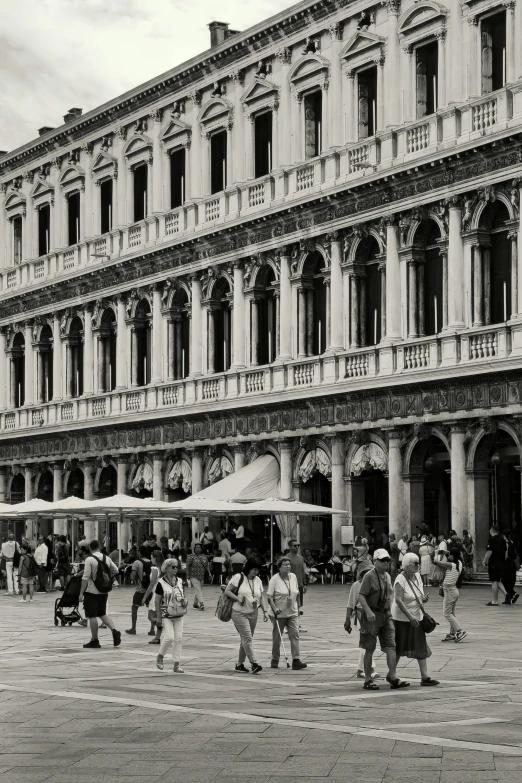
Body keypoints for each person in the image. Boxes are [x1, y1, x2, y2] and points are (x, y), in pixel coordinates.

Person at [357, 548, 410, 691]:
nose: (386, 563)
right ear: (375, 561)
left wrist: (390, 608)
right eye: (383, 560)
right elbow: (361, 595)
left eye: (388, 560)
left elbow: (390, 593)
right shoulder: (369, 576)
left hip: (385, 615)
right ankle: (368, 679)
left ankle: (392, 676)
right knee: (369, 647)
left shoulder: (386, 575)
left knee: (391, 646)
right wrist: (368, 611)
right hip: (372, 615)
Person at [392, 553, 439, 686]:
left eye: (418, 563)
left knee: (420, 646)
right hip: (402, 619)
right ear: (406, 565)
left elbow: (418, 594)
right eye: (415, 563)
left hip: (417, 618)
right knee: (399, 647)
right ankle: (392, 674)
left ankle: (425, 677)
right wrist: (410, 616)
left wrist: (423, 599)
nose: (418, 566)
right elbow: (398, 600)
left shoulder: (417, 576)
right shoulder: (400, 580)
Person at [224, 557, 268, 674]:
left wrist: (265, 611)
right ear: (248, 568)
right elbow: (227, 591)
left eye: (257, 570)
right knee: (247, 638)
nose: (255, 572)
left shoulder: (257, 580)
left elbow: (261, 596)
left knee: (246, 638)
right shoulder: (239, 577)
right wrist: (238, 598)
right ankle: (254, 663)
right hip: (239, 612)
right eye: (254, 569)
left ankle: (239, 664)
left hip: (253, 612)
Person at [78, 540, 121, 649]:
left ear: (90, 548)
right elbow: (116, 570)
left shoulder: (89, 559)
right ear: (99, 547)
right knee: (102, 613)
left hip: (92, 591)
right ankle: (114, 631)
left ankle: (95, 639)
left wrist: (81, 593)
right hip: (104, 591)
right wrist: (105, 578)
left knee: (92, 615)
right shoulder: (107, 558)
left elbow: (85, 577)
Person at [266, 557, 307, 670]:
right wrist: (274, 609)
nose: (288, 566)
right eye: (285, 564)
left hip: (292, 612)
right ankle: (275, 659)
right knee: (277, 637)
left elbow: (296, 593)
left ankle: (296, 660)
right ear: (279, 567)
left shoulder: (293, 577)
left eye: (289, 564)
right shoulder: (274, 579)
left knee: (294, 635)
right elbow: (269, 596)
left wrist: (298, 607)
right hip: (279, 613)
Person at [344, 559, 380, 680]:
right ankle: (370, 669)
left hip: (373, 615)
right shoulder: (356, 585)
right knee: (367, 642)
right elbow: (350, 604)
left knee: (367, 643)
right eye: (365, 572)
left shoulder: (376, 582)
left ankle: (360, 670)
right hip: (361, 616)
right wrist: (347, 620)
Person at [155, 558, 188, 672]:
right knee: (169, 637)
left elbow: (183, 595)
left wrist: (184, 601)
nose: (175, 569)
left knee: (178, 639)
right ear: (167, 568)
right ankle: (160, 656)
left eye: (176, 567)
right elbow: (157, 601)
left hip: (179, 613)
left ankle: (177, 664)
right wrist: (158, 617)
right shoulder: (161, 583)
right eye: (173, 567)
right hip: (166, 614)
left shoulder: (179, 581)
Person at [436, 547, 467, 642]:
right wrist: (446, 552)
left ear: (453, 556)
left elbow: (436, 562)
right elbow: (453, 555)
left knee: (447, 614)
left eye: (450, 555)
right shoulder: (459, 563)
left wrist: (437, 553)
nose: (448, 556)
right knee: (452, 613)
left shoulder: (451, 565)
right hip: (453, 590)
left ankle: (460, 631)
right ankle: (452, 633)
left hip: (449, 590)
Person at [126, 545, 153, 635]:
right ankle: (152, 629)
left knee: (134, 607)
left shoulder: (137, 562)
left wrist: (131, 576)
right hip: (151, 588)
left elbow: (133, 576)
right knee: (151, 608)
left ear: (140, 552)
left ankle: (133, 628)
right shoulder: (151, 561)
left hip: (141, 588)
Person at [483, 525, 507, 606]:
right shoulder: (503, 540)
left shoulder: (491, 539)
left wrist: (484, 561)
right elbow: (505, 553)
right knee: (498, 580)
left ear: (491, 530)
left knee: (494, 581)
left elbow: (489, 551)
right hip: (502, 562)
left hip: (494, 563)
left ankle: (495, 600)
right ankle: (506, 594)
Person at [287, 539, 307, 632]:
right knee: (290, 605)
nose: (297, 547)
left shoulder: (301, 558)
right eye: (295, 546)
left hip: (299, 584)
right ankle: (288, 625)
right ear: (290, 547)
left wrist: (305, 583)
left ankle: (297, 624)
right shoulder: (286, 558)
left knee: (299, 605)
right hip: (290, 585)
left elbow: (302, 572)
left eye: (298, 545)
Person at [186, 543, 210, 610]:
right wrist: (187, 574)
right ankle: (202, 604)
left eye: (199, 547)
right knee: (198, 589)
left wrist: (209, 573)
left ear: (201, 549)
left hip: (201, 575)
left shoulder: (204, 557)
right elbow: (187, 565)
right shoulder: (191, 556)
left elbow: (207, 566)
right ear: (194, 549)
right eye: (196, 547)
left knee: (198, 589)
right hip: (193, 575)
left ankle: (195, 603)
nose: (198, 548)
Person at [501, 531, 519, 605]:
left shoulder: (506, 544)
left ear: (504, 536)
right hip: (512, 564)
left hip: (507, 565)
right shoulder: (512, 543)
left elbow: (505, 556)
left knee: (504, 581)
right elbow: (514, 555)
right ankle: (509, 598)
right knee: (509, 581)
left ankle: (513, 593)